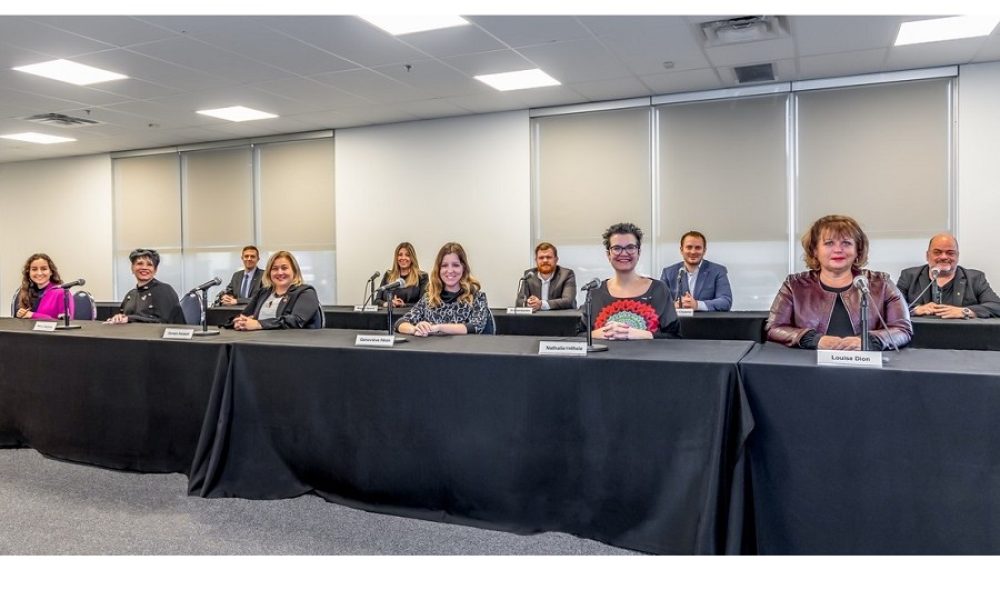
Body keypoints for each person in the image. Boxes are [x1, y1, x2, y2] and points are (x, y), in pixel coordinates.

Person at [766, 215, 912, 349]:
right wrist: (814, 340)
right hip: (810, 367)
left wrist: (870, 341)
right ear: (815, 251)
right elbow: (774, 328)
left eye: (846, 243)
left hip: (866, 368)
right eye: (829, 243)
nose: (838, 250)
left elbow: (902, 329)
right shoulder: (794, 285)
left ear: (857, 251)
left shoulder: (882, 284)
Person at [587, 223, 679, 340]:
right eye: (616, 248)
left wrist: (638, 334)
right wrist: (601, 333)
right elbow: (579, 336)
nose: (624, 253)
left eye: (630, 247)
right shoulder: (595, 292)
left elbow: (675, 337)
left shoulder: (659, 289)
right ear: (608, 254)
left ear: (639, 252)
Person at [396, 242, 492, 336]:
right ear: (438, 270)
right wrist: (415, 329)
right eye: (444, 266)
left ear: (464, 268)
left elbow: (476, 326)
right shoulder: (429, 298)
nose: (450, 271)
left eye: (455, 265)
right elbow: (400, 323)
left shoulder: (477, 297)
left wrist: (438, 328)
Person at [896, 233, 1000, 319]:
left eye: (950, 253)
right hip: (920, 338)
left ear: (957, 256)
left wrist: (965, 311)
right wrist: (915, 310)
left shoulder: (975, 278)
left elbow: (996, 306)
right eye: (937, 252)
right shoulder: (909, 276)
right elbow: (890, 309)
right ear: (927, 256)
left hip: (962, 337)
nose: (944, 257)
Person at [233, 250, 322, 330]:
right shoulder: (263, 292)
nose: (279, 272)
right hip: (258, 342)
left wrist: (259, 324)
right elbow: (245, 315)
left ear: (294, 271)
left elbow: (295, 320)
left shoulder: (306, 292)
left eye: (284, 268)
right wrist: (240, 322)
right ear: (269, 272)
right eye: (275, 269)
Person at [659, 231, 732, 311]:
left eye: (698, 248)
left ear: (704, 250)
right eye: (689, 247)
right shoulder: (668, 273)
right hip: (677, 323)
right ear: (681, 250)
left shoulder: (718, 271)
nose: (693, 252)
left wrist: (697, 305)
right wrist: (674, 305)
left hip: (707, 323)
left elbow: (725, 301)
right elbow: (659, 302)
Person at [107, 249, 183, 324]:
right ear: (132, 268)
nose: (144, 268)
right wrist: (118, 318)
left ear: (155, 270)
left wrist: (129, 319)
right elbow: (124, 318)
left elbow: (163, 321)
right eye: (140, 263)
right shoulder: (130, 295)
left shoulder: (165, 290)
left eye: (149, 264)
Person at [517, 242, 577, 311]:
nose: (545, 260)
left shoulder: (566, 274)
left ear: (556, 259)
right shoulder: (529, 275)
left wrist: (541, 304)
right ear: (536, 260)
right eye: (541, 258)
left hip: (561, 319)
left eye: (548, 257)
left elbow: (568, 301)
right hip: (535, 319)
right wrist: (529, 303)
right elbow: (519, 302)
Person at [14, 253, 74, 320]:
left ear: (51, 272)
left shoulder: (62, 293)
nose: (39, 273)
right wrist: (21, 315)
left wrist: (33, 315)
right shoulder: (24, 292)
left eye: (44, 269)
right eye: (34, 269)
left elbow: (66, 323)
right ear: (29, 273)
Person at [378, 242, 428, 307]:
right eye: (400, 255)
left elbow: (423, 304)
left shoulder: (422, 276)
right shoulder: (388, 275)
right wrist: (387, 304)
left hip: (410, 316)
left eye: (407, 255)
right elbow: (377, 300)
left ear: (412, 258)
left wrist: (404, 305)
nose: (403, 258)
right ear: (396, 257)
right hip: (387, 315)